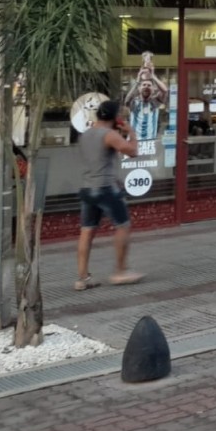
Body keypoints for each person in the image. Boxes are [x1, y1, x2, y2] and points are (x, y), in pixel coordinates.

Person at [76, 99, 143, 290]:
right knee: (123, 226)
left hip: (88, 187)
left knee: (87, 231)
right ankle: (120, 271)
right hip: (105, 187)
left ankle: (82, 278)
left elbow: (98, 160)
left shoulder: (86, 134)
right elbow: (133, 151)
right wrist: (130, 132)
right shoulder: (109, 135)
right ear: (115, 118)